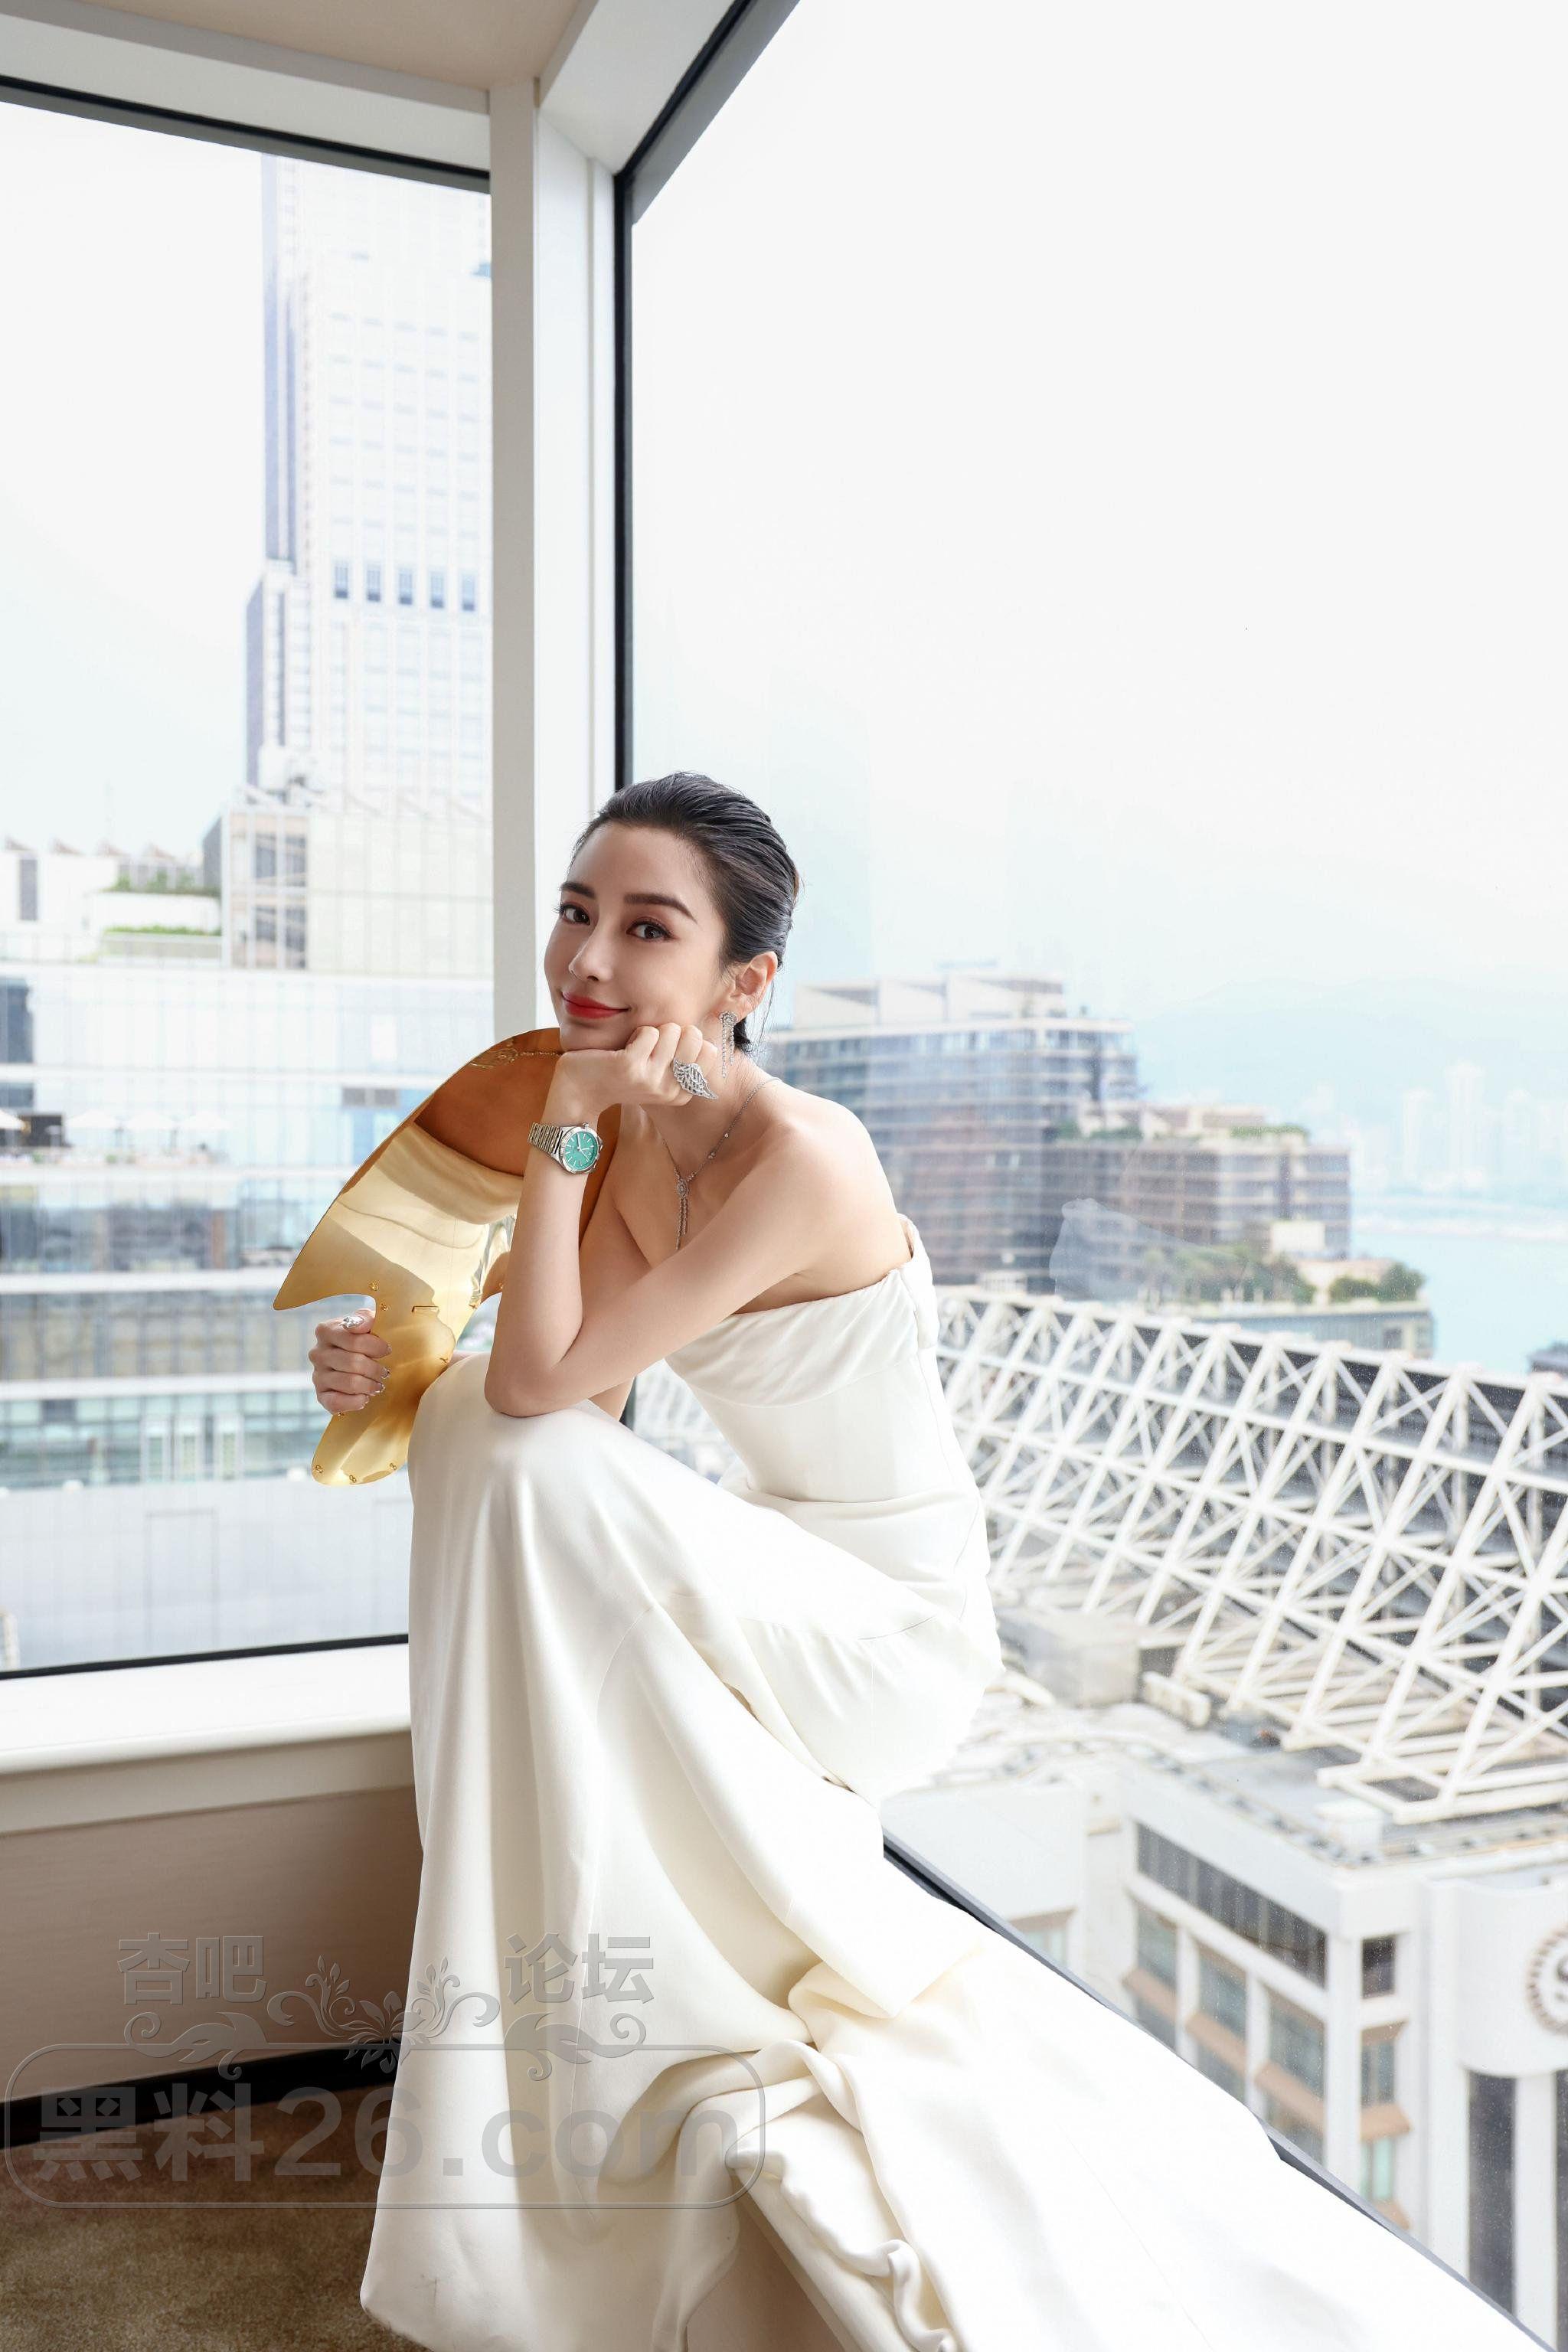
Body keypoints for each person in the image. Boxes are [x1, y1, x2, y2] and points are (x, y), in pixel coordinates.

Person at [305, 776, 1522, 2352]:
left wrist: (559, 1133)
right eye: (577, 911)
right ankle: (559, 1948)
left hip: (887, 1628)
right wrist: (401, 1375)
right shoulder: (626, 1140)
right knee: (476, 1422)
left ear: (744, 981)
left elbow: (541, 1392)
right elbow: (571, 1403)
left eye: (648, 928)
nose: (588, 958)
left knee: (492, 1417)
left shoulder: (806, 1157)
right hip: (771, 1570)